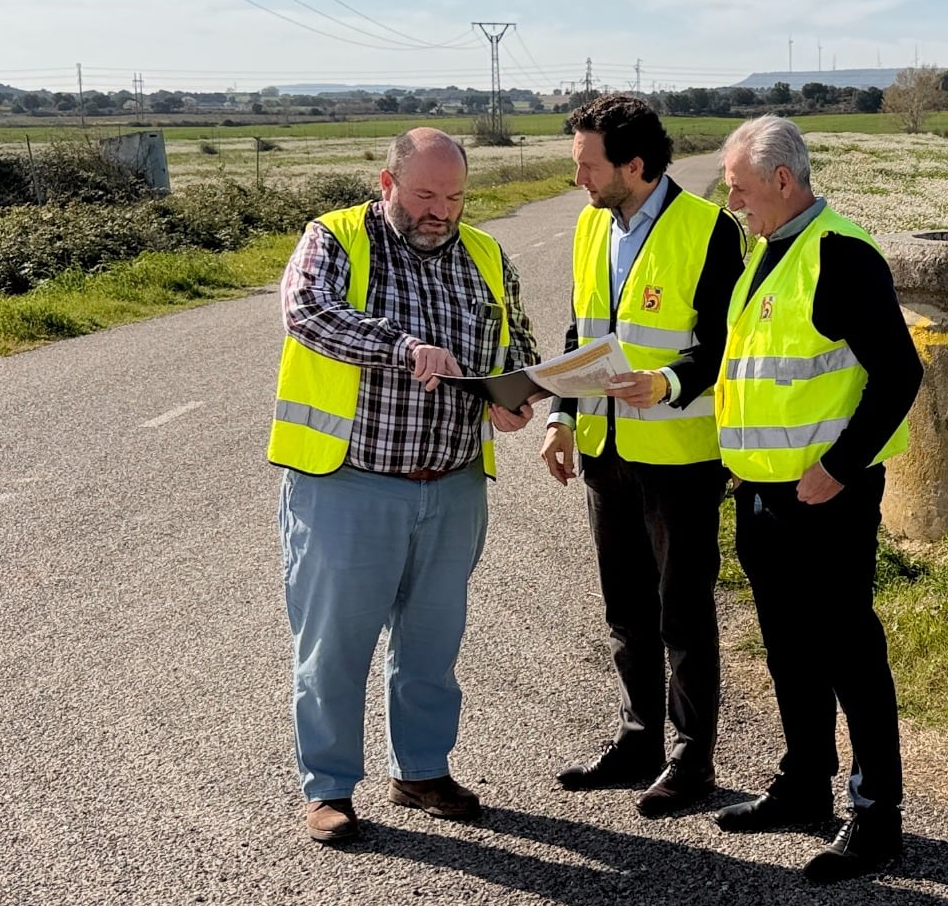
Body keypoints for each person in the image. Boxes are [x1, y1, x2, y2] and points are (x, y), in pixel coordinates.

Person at [270, 127, 540, 845]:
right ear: (387, 183)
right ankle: (328, 788)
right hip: (349, 483)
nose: (440, 211)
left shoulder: (486, 254)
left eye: (454, 197)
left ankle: (420, 771)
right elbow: (307, 312)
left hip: (452, 485)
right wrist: (402, 346)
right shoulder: (334, 238)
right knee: (335, 647)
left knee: (431, 644)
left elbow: (517, 343)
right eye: (424, 194)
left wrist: (515, 396)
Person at [709, 115, 924, 884]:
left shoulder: (841, 254)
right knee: (789, 648)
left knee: (848, 652)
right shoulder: (767, 253)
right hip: (763, 493)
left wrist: (839, 464)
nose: (733, 203)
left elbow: (900, 373)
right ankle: (804, 782)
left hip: (827, 495)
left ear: (781, 180)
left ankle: (876, 816)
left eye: (738, 188)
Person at [538, 94, 745, 817]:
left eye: (587, 166)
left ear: (634, 165)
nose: (578, 180)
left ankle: (693, 759)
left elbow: (725, 345)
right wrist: (562, 416)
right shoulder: (590, 225)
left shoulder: (709, 229)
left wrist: (668, 382)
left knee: (682, 612)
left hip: (680, 457)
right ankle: (638, 741)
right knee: (625, 609)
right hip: (605, 450)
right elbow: (581, 331)